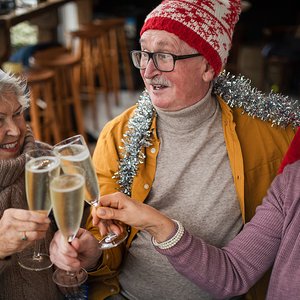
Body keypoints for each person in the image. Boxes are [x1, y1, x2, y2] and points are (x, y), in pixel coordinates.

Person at [49, 0, 297, 299]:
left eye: (164, 56)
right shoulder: (119, 134)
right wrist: (91, 255)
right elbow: (104, 236)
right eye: (143, 54)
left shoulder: (272, 133)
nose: (149, 71)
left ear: (208, 66)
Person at [93, 127, 300, 300]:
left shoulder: (265, 134)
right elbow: (235, 272)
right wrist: (157, 224)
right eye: (140, 73)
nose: (148, 74)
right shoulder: (292, 181)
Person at [0, 69, 64, 299]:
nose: (15, 130)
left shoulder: (47, 160)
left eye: (17, 114)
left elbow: (81, 230)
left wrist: (81, 260)